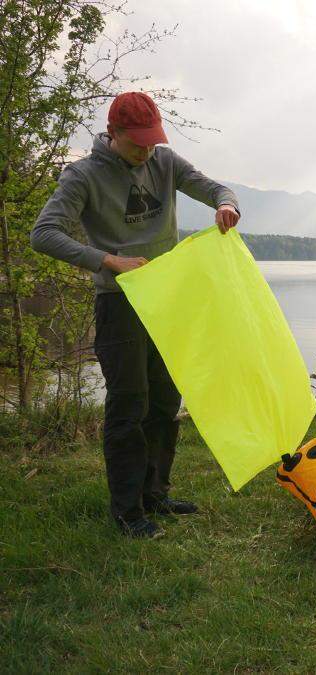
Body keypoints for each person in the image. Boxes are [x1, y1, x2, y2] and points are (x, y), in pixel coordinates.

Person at [31, 91, 241, 539]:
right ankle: (127, 511)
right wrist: (108, 260)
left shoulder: (165, 162)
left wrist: (227, 205)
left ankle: (155, 495)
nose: (145, 150)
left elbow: (216, 188)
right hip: (119, 303)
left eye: (152, 140)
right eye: (136, 143)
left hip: (169, 301)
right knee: (129, 405)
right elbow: (43, 234)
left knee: (164, 401)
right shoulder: (82, 176)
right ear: (113, 134)